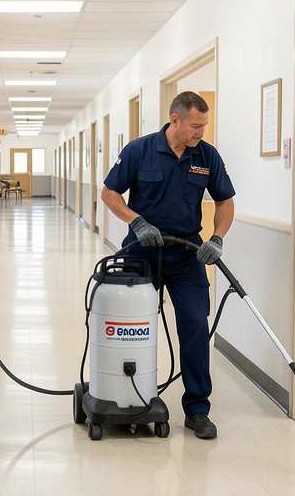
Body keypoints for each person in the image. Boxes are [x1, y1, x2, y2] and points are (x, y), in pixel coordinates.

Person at [100, 91, 236, 439]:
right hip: (141, 252)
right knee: (129, 324)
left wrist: (217, 239)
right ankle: (126, 394)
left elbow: (225, 201)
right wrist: (136, 220)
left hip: (186, 254)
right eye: (195, 125)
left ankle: (197, 410)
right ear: (175, 120)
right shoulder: (138, 150)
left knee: (193, 323)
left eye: (204, 126)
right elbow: (110, 194)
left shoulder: (206, 156)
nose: (200, 133)